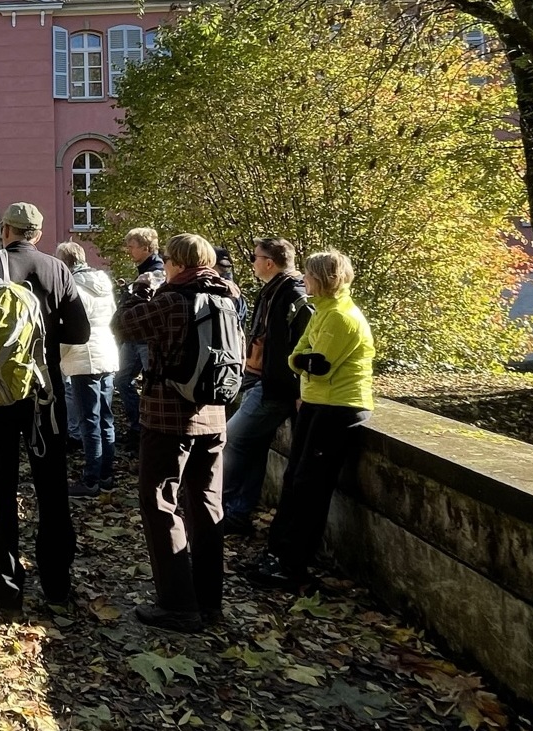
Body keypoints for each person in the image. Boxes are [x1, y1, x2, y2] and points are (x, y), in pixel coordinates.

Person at [0, 203, 92, 611]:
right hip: (45, 394)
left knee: (2, 489)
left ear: (6, 230)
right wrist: (44, 335)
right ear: (38, 233)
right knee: (52, 488)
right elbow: (81, 332)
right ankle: (57, 585)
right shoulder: (57, 269)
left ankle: (6, 589)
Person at [116, 233, 240, 631]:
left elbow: (123, 325)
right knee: (207, 505)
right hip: (214, 415)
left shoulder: (172, 300)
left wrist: (138, 290)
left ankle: (177, 604)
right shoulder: (228, 297)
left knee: (159, 502)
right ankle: (209, 601)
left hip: (169, 417)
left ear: (177, 264)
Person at [250, 249, 375, 590]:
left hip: (338, 408)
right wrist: (301, 361)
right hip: (316, 404)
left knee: (310, 487)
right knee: (295, 479)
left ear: (322, 278)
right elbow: (296, 357)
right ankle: (278, 553)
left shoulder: (340, 317)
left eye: (308, 274)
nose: (303, 279)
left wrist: (301, 361)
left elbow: (317, 365)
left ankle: (292, 564)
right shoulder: (322, 311)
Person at [220, 239, 312, 535]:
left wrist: (297, 390)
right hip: (259, 378)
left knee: (232, 438)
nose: (252, 262)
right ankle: (237, 513)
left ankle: (222, 506)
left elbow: (304, 343)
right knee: (254, 446)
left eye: (254, 257)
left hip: (272, 385)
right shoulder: (275, 289)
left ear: (269, 262)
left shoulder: (293, 292)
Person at [56, 242, 119, 496]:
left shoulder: (73, 287)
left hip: (85, 355)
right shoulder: (103, 283)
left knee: (89, 420)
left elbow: (73, 326)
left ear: (65, 262)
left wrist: (57, 355)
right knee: (105, 418)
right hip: (106, 351)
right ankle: (106, 475)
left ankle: (91, 479)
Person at [112, 227, 164, 454]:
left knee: (151, 385)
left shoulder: (157, 272)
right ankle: (138, 427)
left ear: (146, 248)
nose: (128, 250)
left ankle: (147, 431)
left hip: (146, 338)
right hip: (133, 338)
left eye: (132, 246)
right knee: (122, 380)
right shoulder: (145, 270)